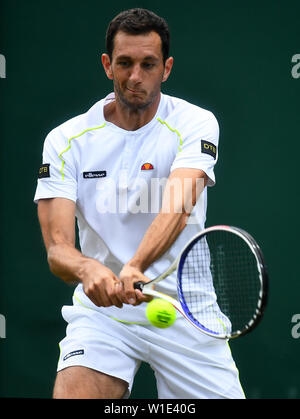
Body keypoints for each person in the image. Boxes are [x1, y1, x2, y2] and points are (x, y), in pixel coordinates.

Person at [34, 8, 245, 399]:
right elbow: (57, 249)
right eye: (125, 63)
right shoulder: (65, 141)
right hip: (104, 314)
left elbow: (179, 206)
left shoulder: (195, 123)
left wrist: (135, 265)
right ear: (106, 65)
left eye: (148, 64)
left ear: (166, 68)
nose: (135, 77)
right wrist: (87, 269)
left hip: (186, 309)